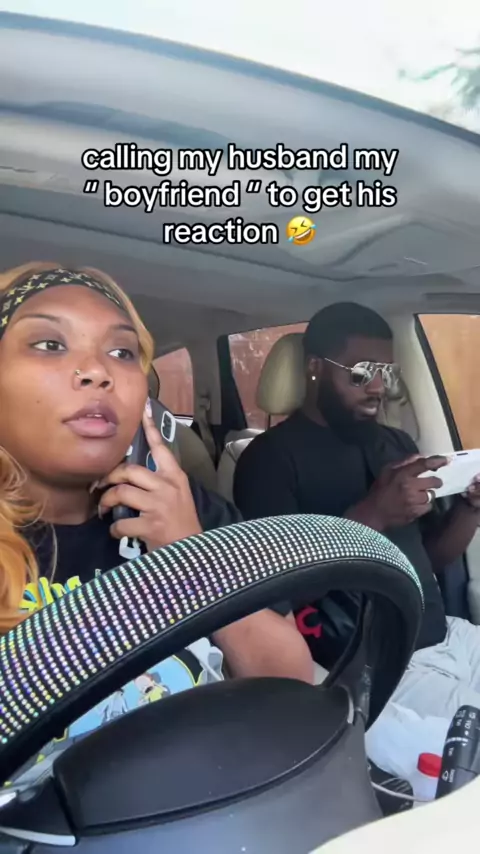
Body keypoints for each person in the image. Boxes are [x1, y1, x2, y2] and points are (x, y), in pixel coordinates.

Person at [0, 261, 313, 785]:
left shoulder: (184, 508)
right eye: (50, 344)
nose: (97, 371)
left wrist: (188, 553)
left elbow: (291, 686)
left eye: (122, 352)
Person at [234, 301, 480, 720]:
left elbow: (430, 558)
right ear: (315, 368)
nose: (378, 387)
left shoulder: (397, 445)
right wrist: (374, 515)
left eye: (387, 372)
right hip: (369, 664)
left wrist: (470, 509)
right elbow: (274, 596)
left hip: (444, 636)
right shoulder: (267, 460)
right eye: (362, 372)